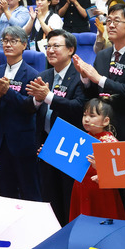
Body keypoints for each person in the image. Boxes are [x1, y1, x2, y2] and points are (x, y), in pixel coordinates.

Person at [27, 29, 86, 225]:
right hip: (45, 143)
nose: (50, 50)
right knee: (49, 196)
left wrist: (49, 97)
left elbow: (79, 108)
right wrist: (36, 101)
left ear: (71, 50)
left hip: (71, 146)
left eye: (56, 46)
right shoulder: (43, 75)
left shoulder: (80, 76)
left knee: (68, 196)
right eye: (48, 46)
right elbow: (32, 107)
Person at [73, 3, 125, 141]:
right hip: (100, 128)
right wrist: (85, 77)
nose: (110, 25)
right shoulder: (102, 55)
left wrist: (99, 79)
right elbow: (93, 93)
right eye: (109, 21)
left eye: (116, 21)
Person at [0, 26, 41, 201]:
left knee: (29, 189)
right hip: (1, 141)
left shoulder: (32, 74)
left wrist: (8, 92)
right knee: (6, 191)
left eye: (13, 41)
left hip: (23, 141)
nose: (8, 45)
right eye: (5, 41)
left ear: (24, 45)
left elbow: (29, 106)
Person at [69, 97, 125, 221]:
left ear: (106, 121)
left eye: (92, 116)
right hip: (81, 187)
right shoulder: (82, 138)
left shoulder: (110, 143)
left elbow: (119, 176)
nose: (86, 119)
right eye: (84, 115)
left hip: (101, 192)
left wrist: (101, 170)